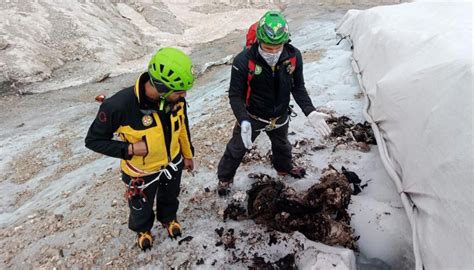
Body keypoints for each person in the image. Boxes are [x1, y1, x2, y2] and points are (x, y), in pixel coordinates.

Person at [85, 47, 195, 251]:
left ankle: (168, 218)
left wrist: (187, 155)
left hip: (172, 163)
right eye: (180, 91)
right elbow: (93, 140)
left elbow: (182, 127)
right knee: (140, 207)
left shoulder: (175, 100)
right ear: (162, 87)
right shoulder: (118, 106)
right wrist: (130, 149)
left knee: (170, 196)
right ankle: (143, 229)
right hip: (140, 173)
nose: (184, 95)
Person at [217, 11, 331, 196]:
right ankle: (225, 178)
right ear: (258, 41)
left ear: (285, 42)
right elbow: (235, 94)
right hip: (252, 115)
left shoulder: (293, 57)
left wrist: (310, 111)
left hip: (280, 114)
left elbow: (298, 86)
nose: (272, 52)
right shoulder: (243, 61)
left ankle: (284, 168)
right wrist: (243, 119)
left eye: (277, 47)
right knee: (237, 148)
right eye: (267, 47)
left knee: (282, 146)